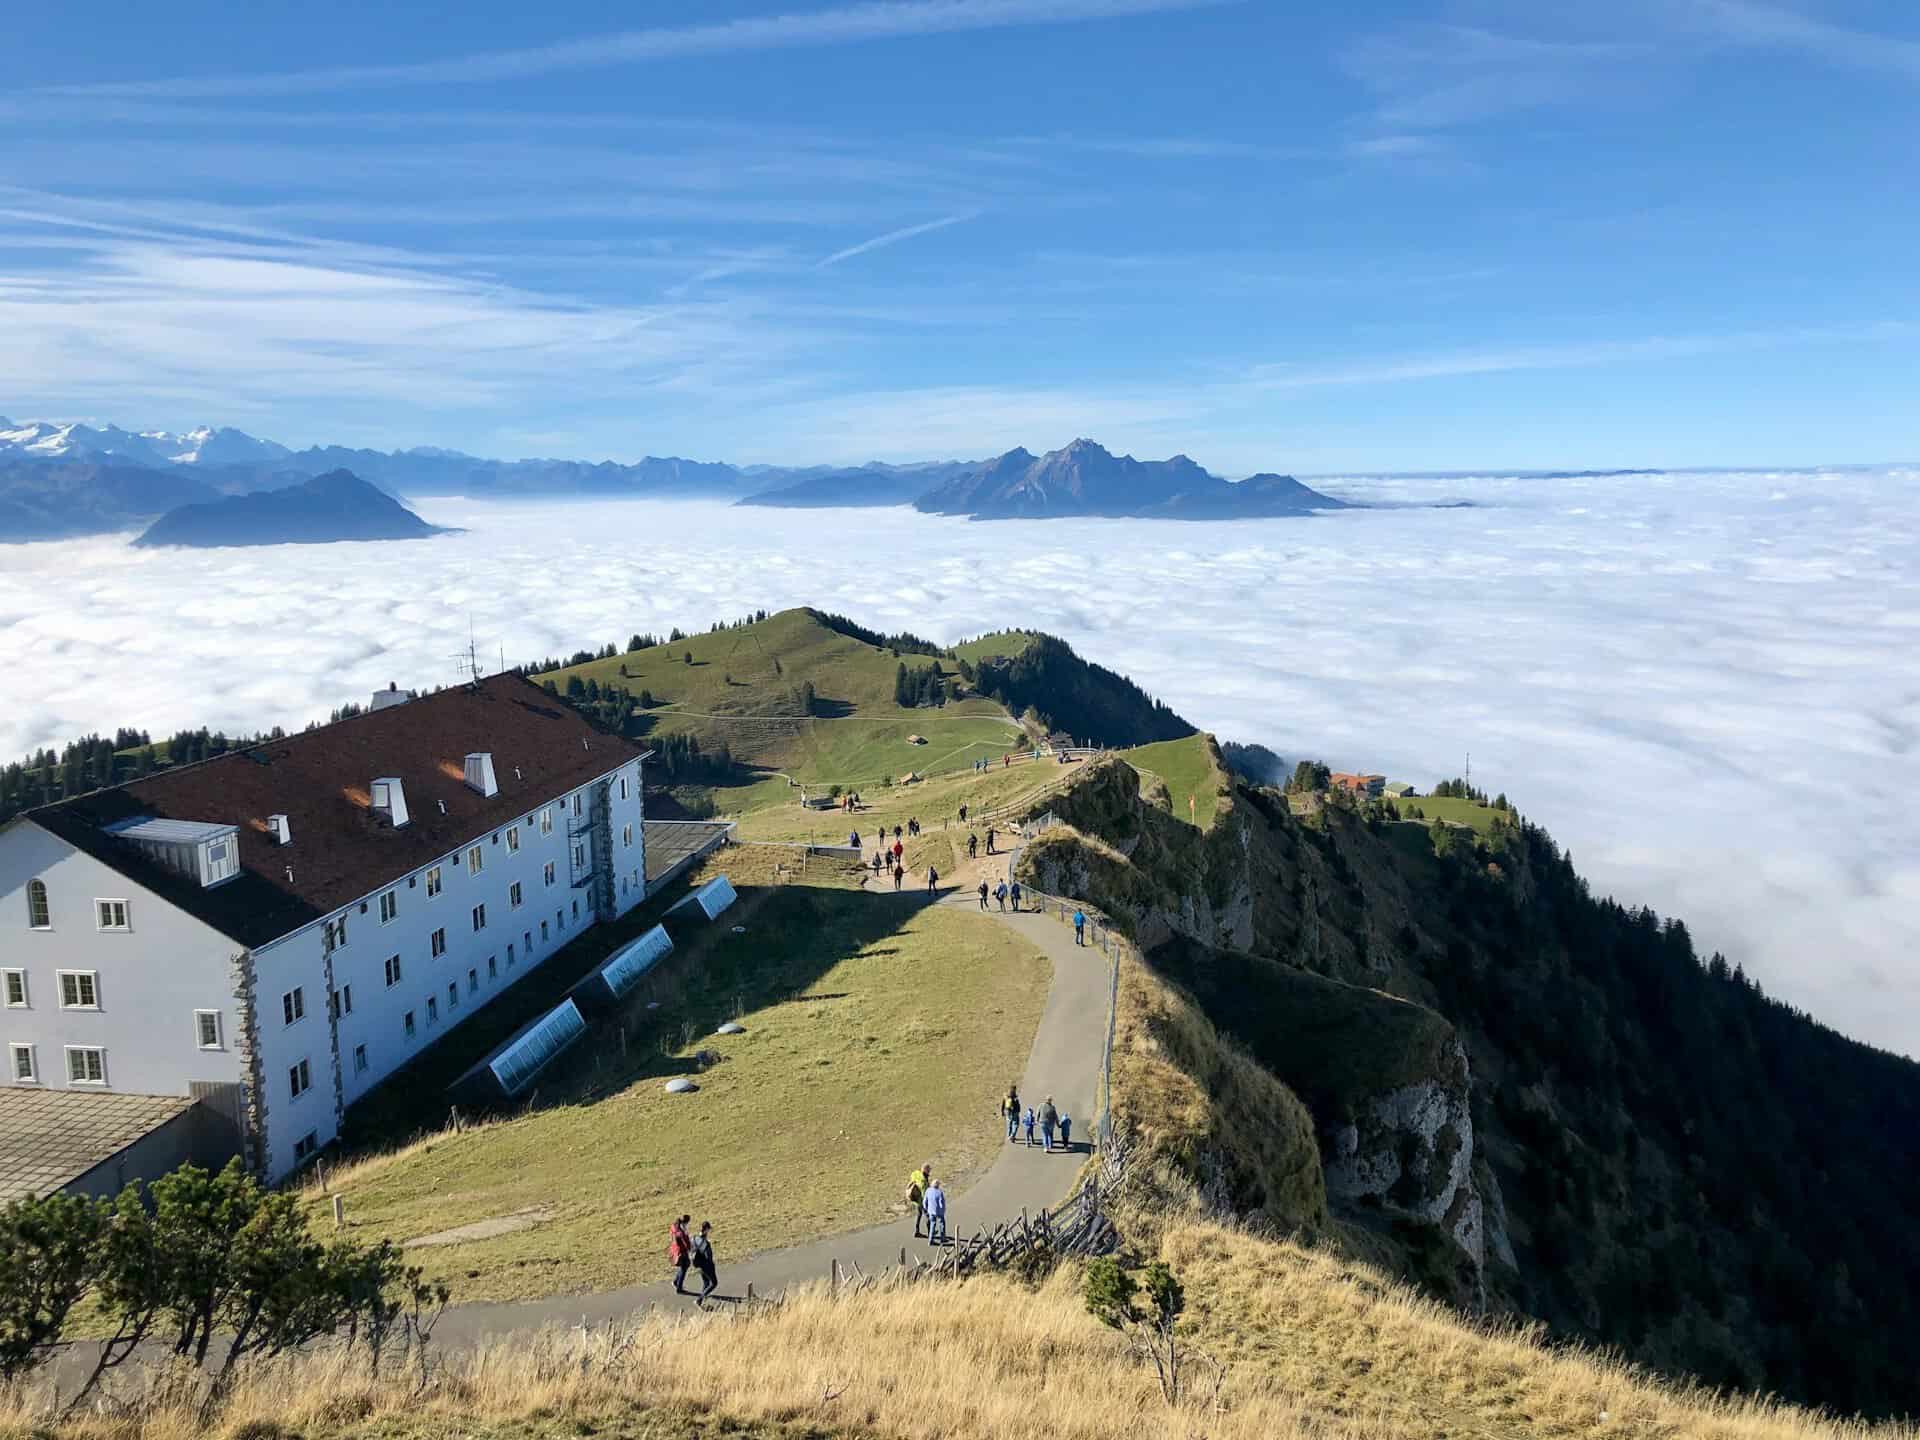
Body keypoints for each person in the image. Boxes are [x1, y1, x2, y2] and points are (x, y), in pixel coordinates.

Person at [692, 1221, 719, 1306]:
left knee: (706, 1282)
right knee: (714, 1283)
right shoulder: (706, 1243)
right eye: (709, 1229)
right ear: (706, 1230)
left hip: (698, 1264)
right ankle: (699, 1300)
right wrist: (711, 1266)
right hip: (706, 1265)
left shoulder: (695, 1238)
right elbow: (708, 1257)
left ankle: (703, 1297)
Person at [668, 1215, 693, 1294]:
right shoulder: (681, 1232)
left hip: (674, 1249)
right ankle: (679, 1288)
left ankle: (676, 1281)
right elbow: (686, 1243)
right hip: (681, 1252)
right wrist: (690, 1249)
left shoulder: (674, 1226)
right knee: (684, 1268)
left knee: (683, 1267)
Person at [907, 1163, 930, 1237]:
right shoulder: (923, 1180)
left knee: (919, 1215)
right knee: (928, 1216)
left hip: (915, 1200)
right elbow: (924, 1193)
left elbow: (912, 1178)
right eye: (929, 1170)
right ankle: (930, 1233)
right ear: (925, 1170)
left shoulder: (916, 1173)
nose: (929, 1171)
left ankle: (916, 1231)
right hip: (921, 1201)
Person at [924, 1177, 948, 1246]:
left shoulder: (928, 1190)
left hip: (931, 1211)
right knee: (942, 1224)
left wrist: (926, 1208)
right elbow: (942, 1203)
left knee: (932, 1225)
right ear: (938, 1185)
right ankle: (942, 1238)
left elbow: (925, 1201)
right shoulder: (939, 1192)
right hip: (939, 1212)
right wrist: (943, 1210)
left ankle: (930, 1240)